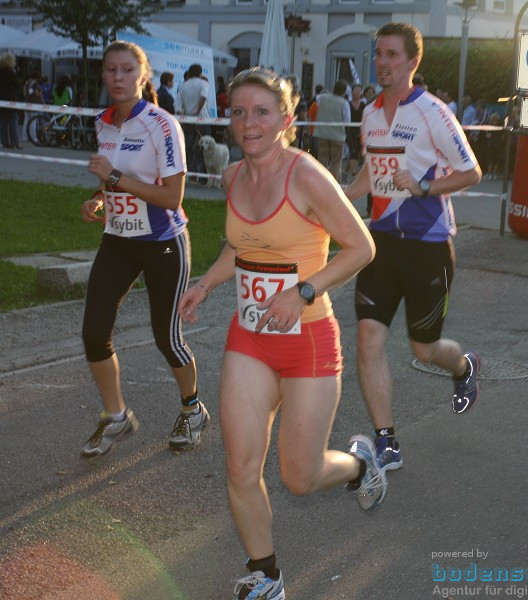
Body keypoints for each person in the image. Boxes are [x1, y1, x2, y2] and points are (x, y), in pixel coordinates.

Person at [176, 66, 383, 600]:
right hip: (250, 339)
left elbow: (361, 247)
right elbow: (241, 246)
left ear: (287, 120)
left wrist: (305, 291)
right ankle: (265, 575)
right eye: (239, 112)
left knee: (299, 476)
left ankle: (360, 463)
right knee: (241, 464)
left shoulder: (308, 175)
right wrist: (207, 283)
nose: (249, 123)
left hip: (308, 341)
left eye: (262, 112)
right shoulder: (232, 177)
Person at [343, 22, 483, 472]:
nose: (383, 62)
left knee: (424, 349)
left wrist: (424, 186)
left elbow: (472, 172)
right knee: (368, 338)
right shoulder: (368, 113)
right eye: (378, 54)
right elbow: (372, 171)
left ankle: (462, 366)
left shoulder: (433, 112)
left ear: (412, 62)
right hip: (381, 241)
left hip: (428, 244)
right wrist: (340, 196)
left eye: (392, 55)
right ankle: (387, 442)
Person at [78, 41, 206, 458]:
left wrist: (113, 179)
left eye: (127, 70)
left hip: (162, 241)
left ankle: (192, 409)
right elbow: (107, 183)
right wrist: (99, 199)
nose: (118, 77)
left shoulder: (163, 124)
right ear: (103, 75)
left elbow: (172, 197)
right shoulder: (103, 122)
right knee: (94, 332)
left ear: (143, 76)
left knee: (166, 337)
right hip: (118, 239)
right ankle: (115, 415)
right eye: (111, 70)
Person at [176, 64, 211, 181]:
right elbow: (203, 97)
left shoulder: (183, 86)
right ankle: (204, 178)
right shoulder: (204, 83)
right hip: (203, 120)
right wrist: (197, 111)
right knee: (206, 149)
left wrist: (183, 115)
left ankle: (190, 176)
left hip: (188, 122)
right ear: (200, 73)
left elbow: (177, 105)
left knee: (189, 149)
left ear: (189, 73)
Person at [313, 79, 350, 181]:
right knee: (336, 162)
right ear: (344, 91)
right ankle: (333, 183)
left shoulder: (321, 98)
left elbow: (317, 102)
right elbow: (347, 121)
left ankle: (321, 180)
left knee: (322, 159)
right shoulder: (344, 103)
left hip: (322, 133)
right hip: (338, 136)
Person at [0, 53, 22, 149]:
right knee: (13, 121)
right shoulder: (11, 72)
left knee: (3, 122)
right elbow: (17, 84)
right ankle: (15, 142)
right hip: (11, 100)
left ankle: (4, 142)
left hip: (1, 100)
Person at [346, 83, 365, 183]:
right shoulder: (347, 104)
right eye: (355, 91)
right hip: (350, 131)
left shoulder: (363, 104)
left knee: (359, 153)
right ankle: (354, 175)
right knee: (353, 151)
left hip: (361, 131)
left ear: (361, 92)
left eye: (358, 91)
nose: (356, 93)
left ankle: (345, 171)